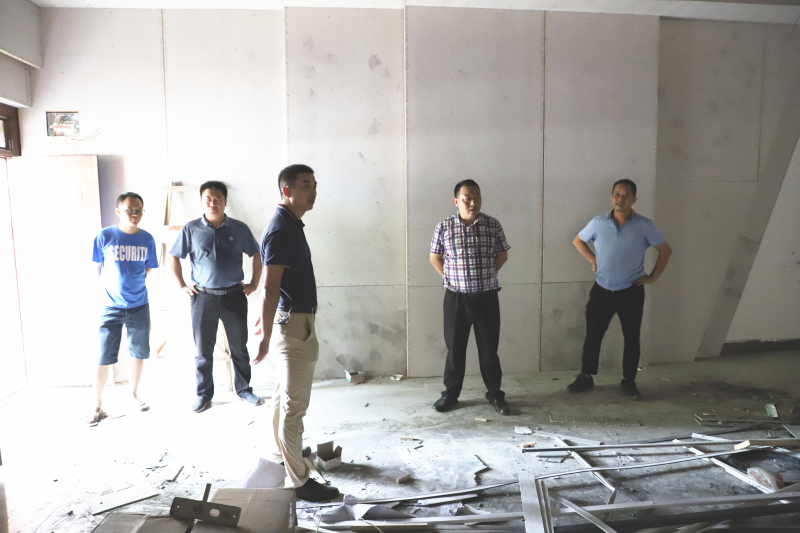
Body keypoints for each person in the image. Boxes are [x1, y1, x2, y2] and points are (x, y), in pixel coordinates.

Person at [253, 164, 339, 502]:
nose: (312, 191)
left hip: (292, 321)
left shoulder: (289, 224)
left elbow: (276, 287)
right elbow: (269, 285)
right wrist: (264, 333)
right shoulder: (281, 229)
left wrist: (268, 321)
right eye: (305, 185)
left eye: (314, 185)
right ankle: (300, 482)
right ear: (287, 191)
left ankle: (280, 454)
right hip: (293, 326)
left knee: (281, 399)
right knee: (293, 408)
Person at [569, 179, 673, 400]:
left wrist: (653, 277)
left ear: (634, 199)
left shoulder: (644, 225)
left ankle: (629, 381)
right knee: (593, 335)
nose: (620, 199)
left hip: (631, 291)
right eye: (617, 194)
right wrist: (593, 260)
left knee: (632, 337)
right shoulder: (598, 222)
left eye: (625, 195)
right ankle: (586, 377)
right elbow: (578, 241)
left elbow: (665, 250)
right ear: (611, 197)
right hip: (602, 289)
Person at [167, 181, 263, 413]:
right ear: (201, 202)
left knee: (239, 347)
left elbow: (257, 254)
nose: (213, 203)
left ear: (225, 202)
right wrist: (182, 286)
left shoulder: (239, 228)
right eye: (208, 199)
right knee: (203, 351)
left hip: (234, 296)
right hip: (203, 297)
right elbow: (173, 256)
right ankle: (204, 395)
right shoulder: (191, 229)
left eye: (218, 199)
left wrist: (254, 283)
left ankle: (244, 390)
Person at [429, 179, 511, 415]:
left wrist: (487, 275)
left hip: (486, 298)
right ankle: (450, 395)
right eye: (467, 199)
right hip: (456, 298)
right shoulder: (444, 227)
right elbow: (435, 258)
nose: (473, 202)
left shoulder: (492, 225)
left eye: (477, 198)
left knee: (489, 350)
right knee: (455, 349)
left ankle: (495, 394)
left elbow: (502, 255)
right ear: (457, 201)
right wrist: (450, 278)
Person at [89, 192, 159, 426]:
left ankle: (133, 395)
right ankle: (96, 404)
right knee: (103, 355)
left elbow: (148, 268)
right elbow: (96, 268)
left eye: (139, 210)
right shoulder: (105, 235)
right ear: (119, 211)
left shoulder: (147, 238)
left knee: (138, 353)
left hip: (139, 305)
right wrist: (99, 297)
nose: (135, 214)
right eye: (130, 210)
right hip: (109, 307)